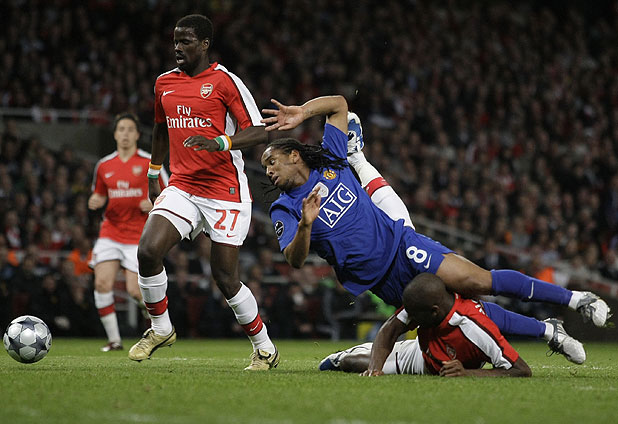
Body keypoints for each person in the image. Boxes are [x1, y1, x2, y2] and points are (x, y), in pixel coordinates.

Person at [259, 94, 610, 344]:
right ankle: (547, 330)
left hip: (402, 245)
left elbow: (338, 104)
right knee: (459, 314)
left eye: (272, 162)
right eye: (264, 168)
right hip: (381, 282)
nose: (269, 172)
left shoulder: (330, 161)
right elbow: (294, 259)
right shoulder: (284, 208)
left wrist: (302, 112)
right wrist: (305, 226)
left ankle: (574, 299)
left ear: (294, 155)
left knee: (477, 281)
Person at [129, 14, 279, 370]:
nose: (177, 48)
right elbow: (161, 128)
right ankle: (161, 328)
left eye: (186, 41)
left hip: (224, 190)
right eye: (175, 41)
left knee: (225, 278)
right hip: (183, 185)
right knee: (148, 251)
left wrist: (220, 142)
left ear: (205, 44)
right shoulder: (164, 83)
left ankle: (264, 348)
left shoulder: (225, 81)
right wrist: (153, 172)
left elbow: (259, 131)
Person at [320, 273, 532, 377]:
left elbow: (521, 370)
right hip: (419, 357)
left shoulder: (475, 327)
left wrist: (467, 373)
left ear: (434, 311)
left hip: (428, 359)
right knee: (351, 363)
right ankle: (340, 357)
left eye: (414, 316)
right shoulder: (421, 302)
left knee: (364, 360)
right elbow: (391, 328)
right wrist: (374, 369)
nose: (410, 320)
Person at [89, 112, 168, 352]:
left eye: (130, 129)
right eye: (121, 129)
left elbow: (169, 194)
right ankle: (114, 341)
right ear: (115, 134)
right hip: (110, 232)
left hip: (138, 236)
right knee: (102, 283)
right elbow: (99, 194)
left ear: (137, 135)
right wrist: (96, 199)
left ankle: (155, 321)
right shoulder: (104, 165)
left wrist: (153, 203)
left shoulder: (149, 162)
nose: (125, 134)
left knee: (135, 291)